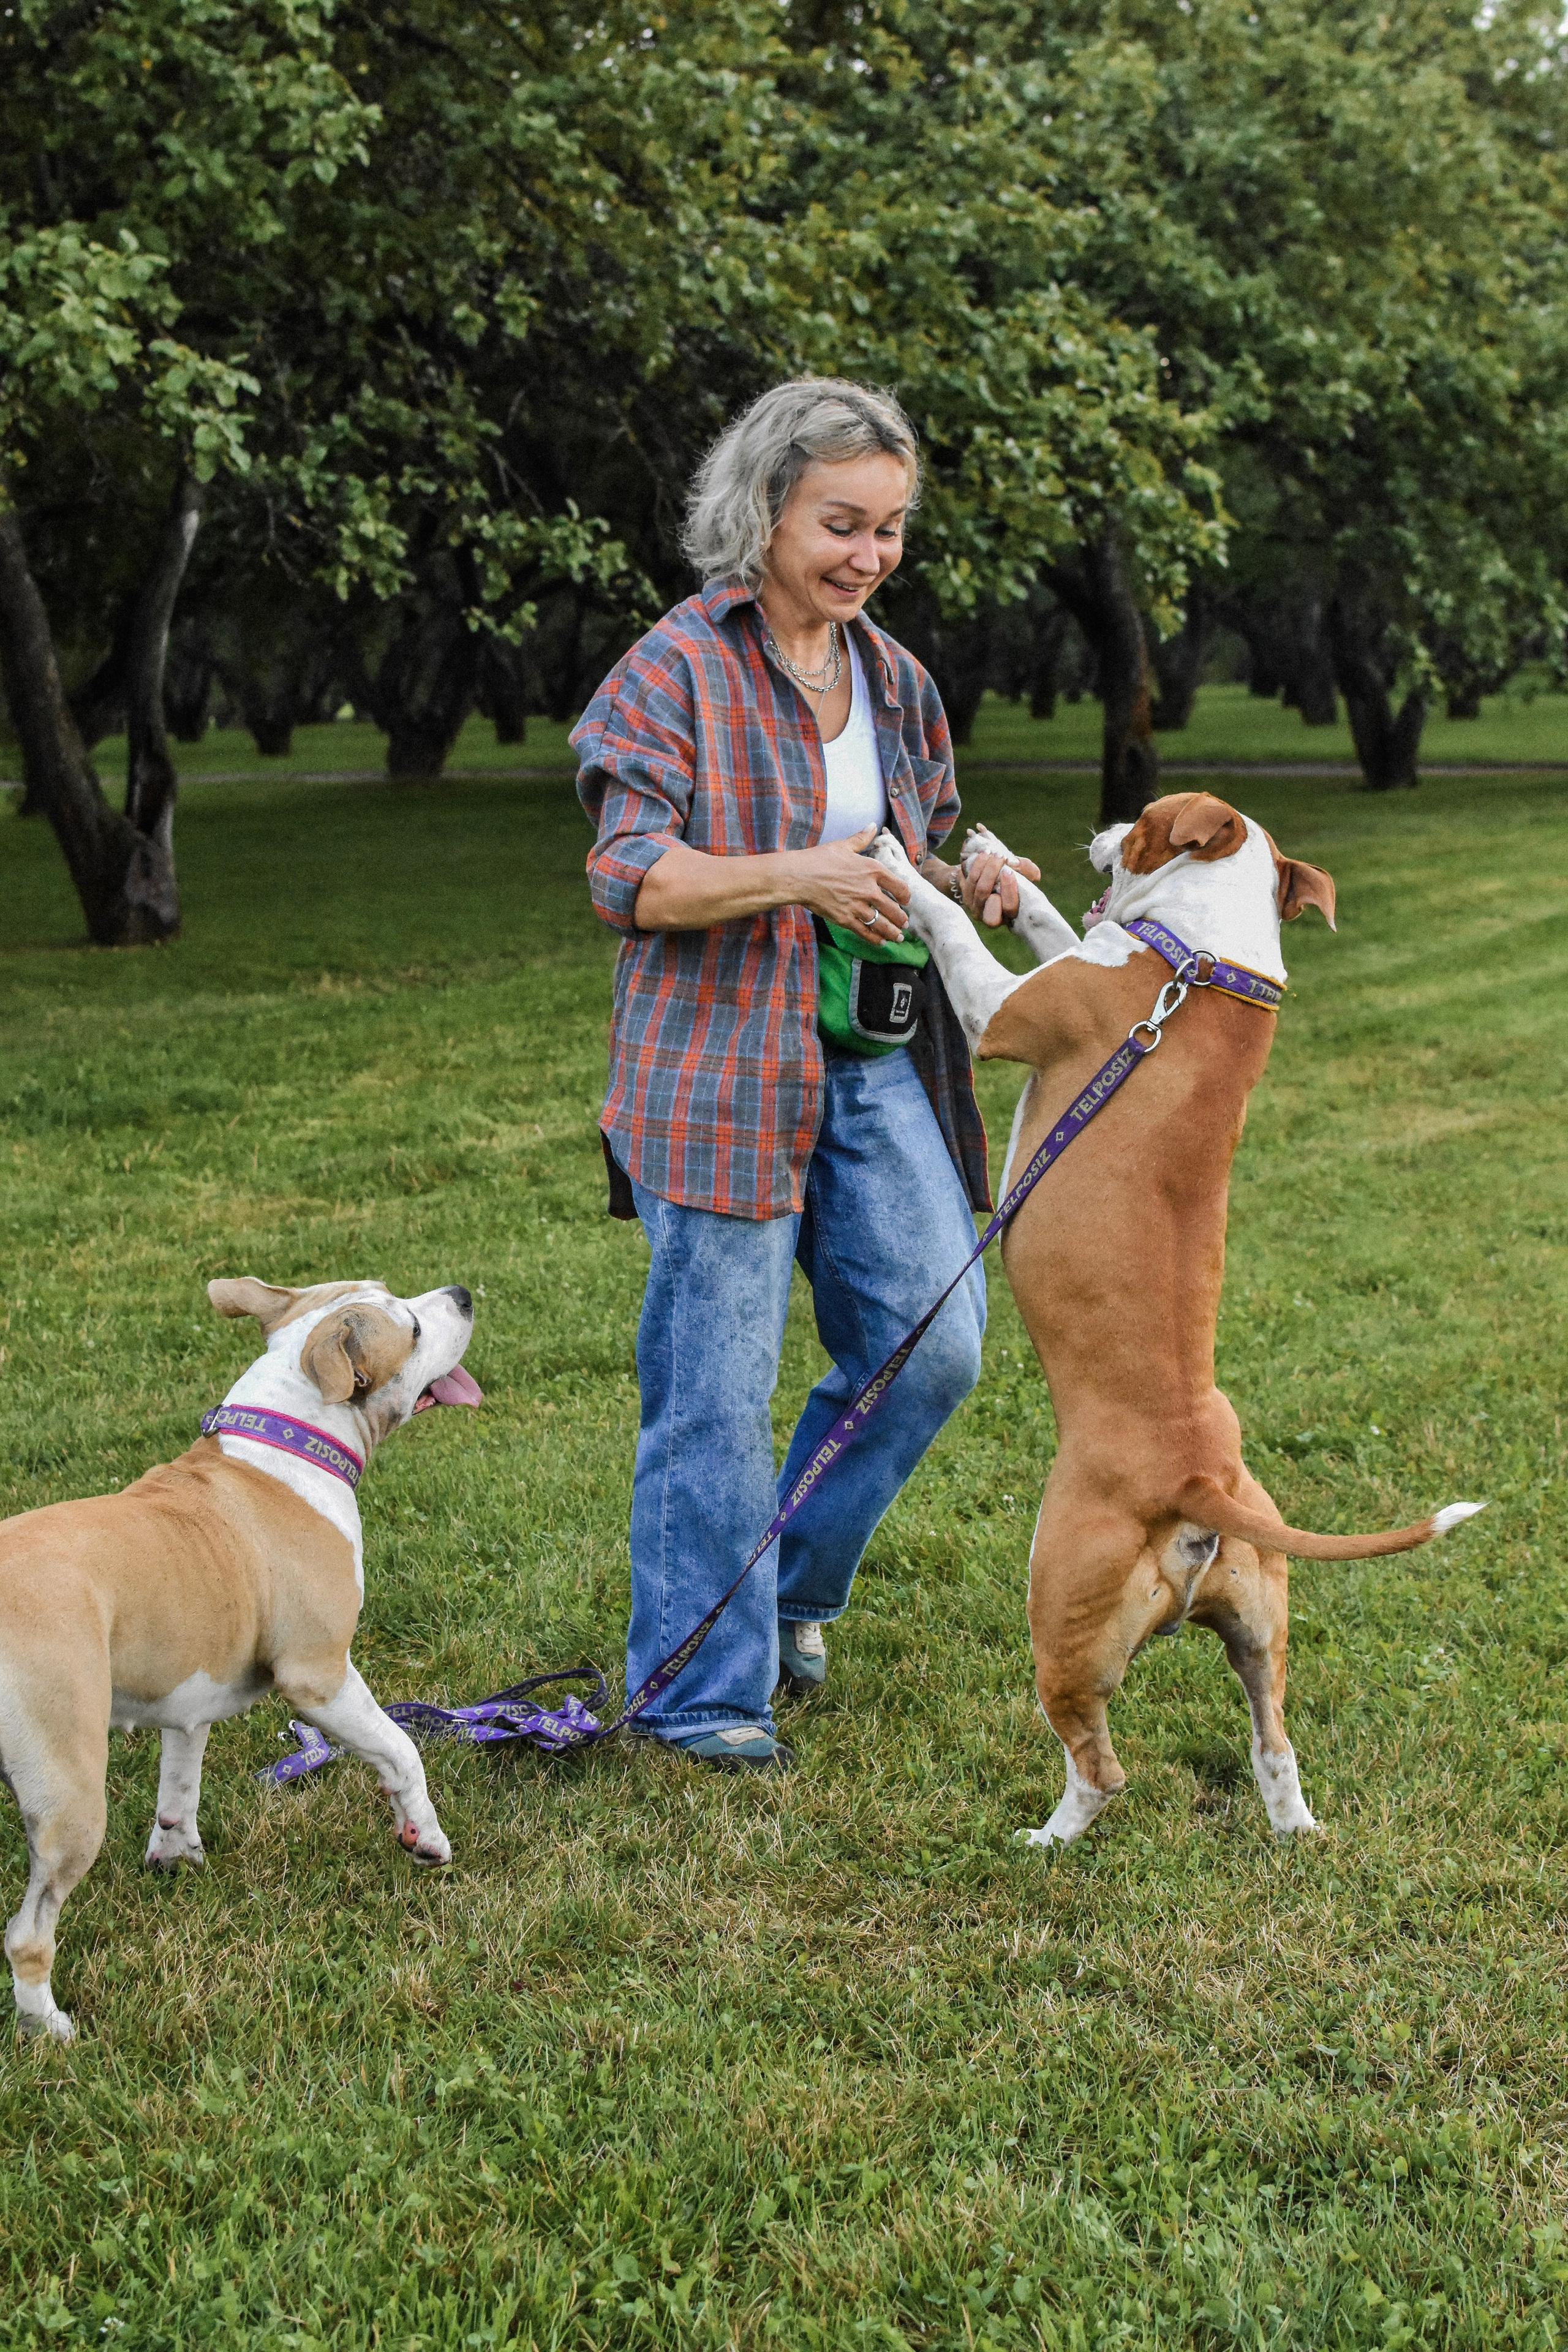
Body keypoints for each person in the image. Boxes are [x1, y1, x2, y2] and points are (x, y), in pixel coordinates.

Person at [572, 377, 1036, 1770]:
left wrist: (979, 871)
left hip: (871, 1061)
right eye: (842, 524)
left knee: (928, 1345)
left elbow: (919, 841)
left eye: (889, 530)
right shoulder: (673, 667)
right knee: (710, 1391)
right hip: (714, 1074)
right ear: (765, 505)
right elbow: (627, 873)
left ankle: (781, 1592)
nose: (868, 556)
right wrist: (799, 878)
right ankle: (699, 1692)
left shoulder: (892, 679)